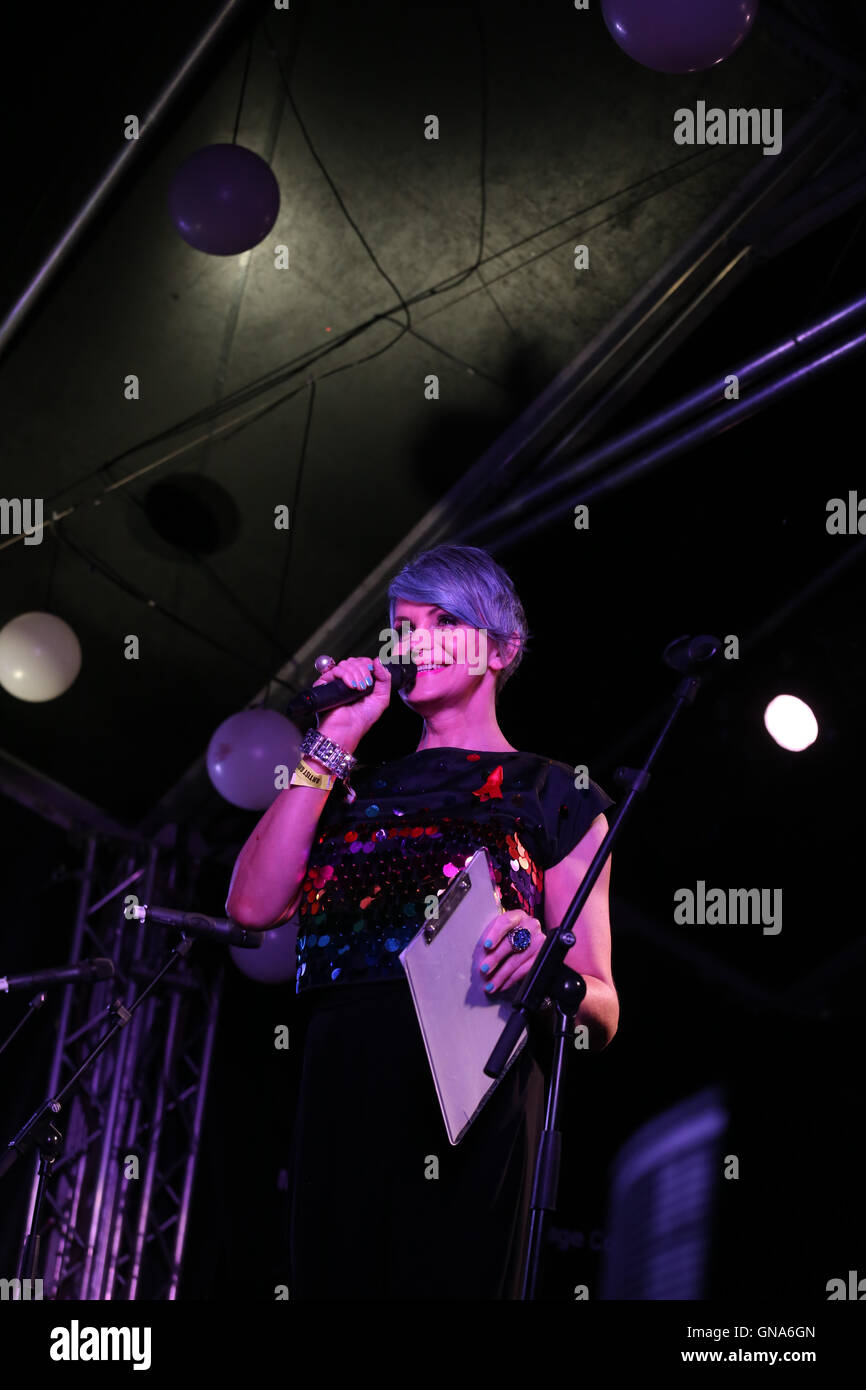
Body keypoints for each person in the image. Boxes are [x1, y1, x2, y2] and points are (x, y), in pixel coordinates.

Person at [226, 544, 618, 1299]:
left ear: (501, 648)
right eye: (404, 627)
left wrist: (547, 958)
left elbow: (602, 1006)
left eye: (445, 620)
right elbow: (252, 906)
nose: (417, 640)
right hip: (346, 1075)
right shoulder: (347, 779)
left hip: (473, 1086)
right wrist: (334, 740)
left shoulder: (554, 792)